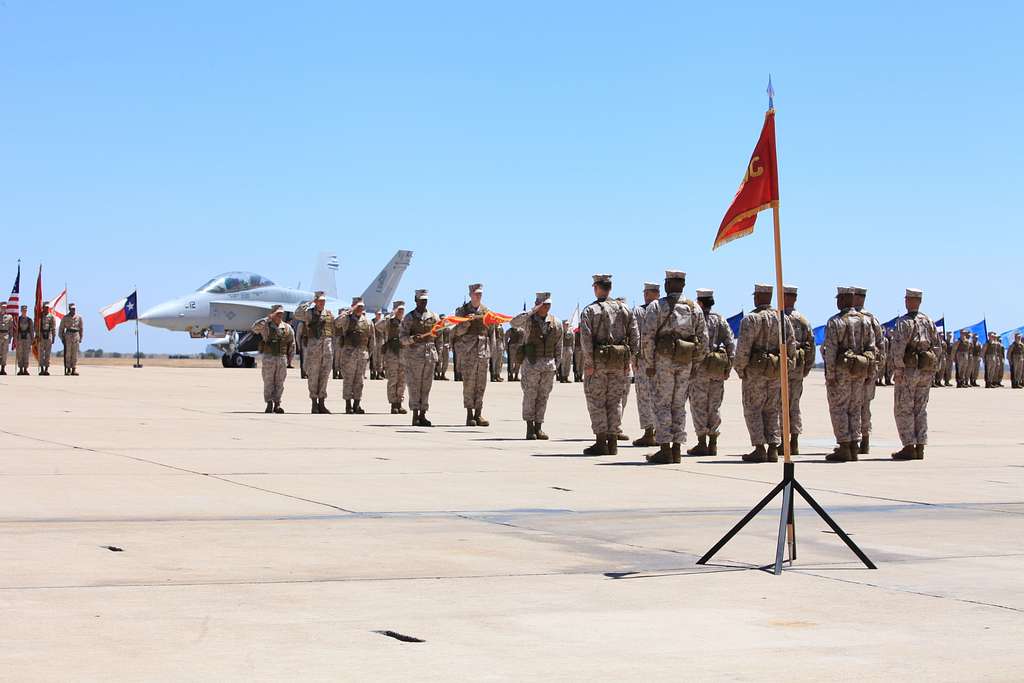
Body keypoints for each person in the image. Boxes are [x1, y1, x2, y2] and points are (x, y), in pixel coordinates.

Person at [641, 271, 707, 464]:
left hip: (663, 362)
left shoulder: (657, 306)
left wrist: (650, 363)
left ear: (668, 285)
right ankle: (677, 449)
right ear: (683, 285)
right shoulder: (694, 308)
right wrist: (695, 364)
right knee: (679, 405)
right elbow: (703, 339)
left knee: (662, 404)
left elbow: (648, 338)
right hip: (685, 362)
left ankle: (665, 449)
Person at [734, 284, 796, 463]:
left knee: (753, 409)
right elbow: (790, 346)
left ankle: (760, 447)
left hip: (755, 372)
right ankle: (773, 448)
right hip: (776, 371)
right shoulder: (782, 318)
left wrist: (740, 369)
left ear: (757, 297)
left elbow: (743, 348)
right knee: (773, 409)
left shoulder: (751, 319)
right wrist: (786, 368)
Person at [580, 274, 640, 456]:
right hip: (618, 362)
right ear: (610, 288)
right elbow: (635, 335)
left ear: (597, 287)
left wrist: (589, 363)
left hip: (598, 364)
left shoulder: (590, 311)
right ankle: (613, 443)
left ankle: (601, 442)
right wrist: (629, 359)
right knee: (615, 402)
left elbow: (586, 339)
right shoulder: (624, 309)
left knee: (597, 401)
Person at [821, 287, 875, 462]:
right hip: (860, 370)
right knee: (855, 408)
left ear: (845, 300)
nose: (837, 302)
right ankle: (854, 445)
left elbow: (831, 351)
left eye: (839, 298)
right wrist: (868, 370)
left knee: (839, 409)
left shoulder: (836, 322)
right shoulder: (865, 321)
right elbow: (872, 348)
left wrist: (830, 375)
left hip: (841, 373)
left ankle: (844, 445)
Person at [891, 288, 941, 460]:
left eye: (907, 299)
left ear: (910, 301)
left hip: (909, 370)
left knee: (903, 408)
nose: (906, 302)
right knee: (920, 408)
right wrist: (933, 367)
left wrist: (898, 369)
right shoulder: (928, 321)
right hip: (926, 369)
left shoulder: (904, 322)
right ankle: (920, 446)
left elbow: (898, 348)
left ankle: (909, 446)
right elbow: (937, 347)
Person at [686, 287, 734, 456]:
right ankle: (713, 442)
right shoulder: (720, 320)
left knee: (698, 406)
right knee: (714, 406)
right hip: (716, 368)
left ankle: (702, 442)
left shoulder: (694, 319)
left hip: (698, 369)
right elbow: (730, 343)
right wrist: (728, 366)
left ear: (699, 302)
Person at [510, 292, 562, 439]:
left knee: (543, 397)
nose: (547, 307)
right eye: (543, 304)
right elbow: (514, 322)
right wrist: (532, 310)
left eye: (548, 304)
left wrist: (556, 365)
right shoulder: (528, 320)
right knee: (530, 395)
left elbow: (559, 345)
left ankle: (539, 426)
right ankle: (529, 427)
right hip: (531, 364)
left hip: (548, 365)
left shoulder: (556, 322)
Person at [453, 283, 494, 426]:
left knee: (481, 384)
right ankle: (469, 414)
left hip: (483, 351)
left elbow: (491, 332)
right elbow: (457, 331)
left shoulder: (486, 311)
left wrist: (492, 352)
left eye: (480, 293)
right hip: (468, 351)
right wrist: (467, 323)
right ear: (470, 294)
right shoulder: (462, 311)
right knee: (469, 383)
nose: (478, 295)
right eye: (476, 293)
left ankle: (478, 413)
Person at [782, 285, 815, 455]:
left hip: (783, 369)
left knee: (781, 405)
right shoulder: (803, 320)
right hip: (797, 370)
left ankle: (785, 441)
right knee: (794, 405)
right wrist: (806, 368)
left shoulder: (780, 318)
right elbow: (811, 347)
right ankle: (793, 440)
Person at [400, 289, 440, 426]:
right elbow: (402, 338)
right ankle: (415, 414)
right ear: (415, 300)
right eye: (421, 300)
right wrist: (412, 339)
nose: (423, 302)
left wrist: (438, 354)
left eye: (425, 300)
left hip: (429, 354)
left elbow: (438, 336)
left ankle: (423, 414)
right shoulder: (409, 317)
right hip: (414, 356)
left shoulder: (433, 316)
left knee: (426, 386)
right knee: (414, 385)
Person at [852, 287, 883, 455]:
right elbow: (881, 346)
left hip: (854, 369)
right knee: (866, 406)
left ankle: (855, 440)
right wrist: (877, 368)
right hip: (870, 368)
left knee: (853, 405)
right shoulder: (873, 319)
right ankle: (865, 440)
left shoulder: (850, 318)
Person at [293, 291, 334, 414]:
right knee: (313, 377)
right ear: (316, 301)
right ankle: (314, 404)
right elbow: (297, 314)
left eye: (323, 301)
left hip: (327, 351)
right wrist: (309, 303)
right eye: (320, 301)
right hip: (314, 351)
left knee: (324, 377)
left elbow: (334, 330)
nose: (322, 303)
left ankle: (322, 403)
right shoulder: (309, 314)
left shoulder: (329, 314)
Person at [632, 282, 661, 447]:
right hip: (663, 360)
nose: (645, 295)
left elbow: (636, 335)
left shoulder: (640, 311)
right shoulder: (664, 308)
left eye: (648, 292)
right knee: (660, 396)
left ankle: (649, 432)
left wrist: (634, 358)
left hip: (644, 359)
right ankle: (659, 432)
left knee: (644, 397)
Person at [251, 305, 294, 413]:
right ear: (273, 314)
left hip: (282, 358)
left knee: (280, 382)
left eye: (281, 313)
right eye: (277, 313)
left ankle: (277, 404)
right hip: (269, 358)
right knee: (268, 381)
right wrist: (268, 318)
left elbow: (291, 343)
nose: (280, 315)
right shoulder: (266, 326)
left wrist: (290, 358)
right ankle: (269, 403)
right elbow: (254, 327)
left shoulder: (287, 327)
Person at [336, 297, 376, 413]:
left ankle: (357, 404)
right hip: (349, 354)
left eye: (362, 307)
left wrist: (368, 354)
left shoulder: (368, 322)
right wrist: (347, 312)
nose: (360, 309)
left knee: (359, 381)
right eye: (358, 306)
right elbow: (337, 323)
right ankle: (348, 405)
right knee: (348, 379)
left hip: (362, 354)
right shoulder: (347, 320)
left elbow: (372, 340)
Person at [382, 300, 407, 414]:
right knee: (393, 379)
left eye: (402, 309)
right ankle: (393, 404)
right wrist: (390, 315)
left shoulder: (406, 321)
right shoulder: (389, 321)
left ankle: (399, 403)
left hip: (404, 353)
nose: (401, 311)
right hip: (392, 353)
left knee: (402, 380)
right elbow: (378, 326)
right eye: (399, 309)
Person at [59, 303, 84, 375]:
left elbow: (81, 328)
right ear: (69, 309)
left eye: (74, 309)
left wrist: (81, 337)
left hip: (76, 335)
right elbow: (61, 329)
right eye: (72, 309)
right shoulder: (65, 318)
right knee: (68, 353)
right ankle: (68, 369)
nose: (73, 310)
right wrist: (62, 338)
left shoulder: (79, 317)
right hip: (68, 335)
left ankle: (74, 369)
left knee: (75, 353)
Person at [36, 301, 56, 376]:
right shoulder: (40, 316)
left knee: (47, 354)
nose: (46, 309)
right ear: (43, 308)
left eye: (48, 307)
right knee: (41, 354)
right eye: (45, 307)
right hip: (41, 335)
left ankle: (46, 369)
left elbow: (53, 328)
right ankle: (41, 369)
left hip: (49, 336)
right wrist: (37, 336)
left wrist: (54, 337)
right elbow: (37, 326)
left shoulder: (51, 317)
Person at [15, 305, 33, 375]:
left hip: (27, 338)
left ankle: (25, 369)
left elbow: (31, 330)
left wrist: (32, 339)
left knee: (26, 354)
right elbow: (16, 330)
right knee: (20, 353)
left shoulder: (29, 320)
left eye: (25, 310)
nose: (24, 311)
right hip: (20, 337)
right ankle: (20, 369)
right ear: (21, 310)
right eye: (23, 310)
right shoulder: (18, 319)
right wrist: (15, 339)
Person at [434, 315, 452, 380]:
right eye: (442, 319)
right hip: (439, 346)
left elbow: (450, 337)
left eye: (444, 319)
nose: (443, 320)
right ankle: (437, 374)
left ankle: (443, 374)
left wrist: (450, 345)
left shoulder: (448, 328)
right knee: (438, 360)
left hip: (446, 346)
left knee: (446, 361)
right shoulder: (437, 328)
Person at [370, 310, 385, 380]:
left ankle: (379, 373)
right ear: (375, 314)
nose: (379, 315)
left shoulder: (382, 321)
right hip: (374, 341)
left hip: (381, 340)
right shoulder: (372, 321)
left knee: (380, 358)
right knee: (374, 358)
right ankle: (373, 373)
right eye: (378, 314)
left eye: (380, 314)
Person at [332, 308, 345, 380]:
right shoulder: (336, 320)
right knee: (336, 358)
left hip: (343, 340)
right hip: (337, 339)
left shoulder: (345, 321)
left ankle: (341, 373)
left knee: (342, 358)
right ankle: (335, 372)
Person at [0, 306, 12, 375]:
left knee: (4, 353)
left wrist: (10, 338)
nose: (3, 308)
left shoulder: (9, 317)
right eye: (2, 307)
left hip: (6, 336)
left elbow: (10, 328)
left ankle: (3, 369)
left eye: (4, 307)